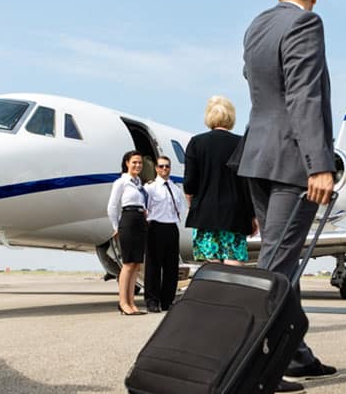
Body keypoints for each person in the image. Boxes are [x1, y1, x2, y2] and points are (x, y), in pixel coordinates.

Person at [234, 0, 338, 394]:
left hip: (256, 157)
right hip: (291, 161)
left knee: (279, 260)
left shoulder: (257, 27)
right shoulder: (307, 24)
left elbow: (255, 82)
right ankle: (251, 366)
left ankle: (296, 356)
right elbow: (303, 93)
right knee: (276, 268)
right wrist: (319, 164)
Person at [183, 96, 256, 268]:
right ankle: (231, 294)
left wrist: (193, 206)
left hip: (206, 212)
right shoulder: (242, 143)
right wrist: (252, 215)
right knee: (233, 258)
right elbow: (248, 184)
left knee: (211, 260)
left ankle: (212, 294)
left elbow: (190, 183)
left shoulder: (196, 142)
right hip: (235, 212)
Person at [107, 150, 149, 316]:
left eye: (140, 163)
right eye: (134, 162)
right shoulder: (121, 182)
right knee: (128, 263)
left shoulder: (139, 183)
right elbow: (112, 206)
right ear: (127, 163)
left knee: (137, 264)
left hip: (140, 220)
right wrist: (116, 226)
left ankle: (131, 302)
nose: (137, 165)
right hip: (128, 219)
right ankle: (123, 302)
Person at [144, 155, 186, 313]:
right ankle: (152, 301)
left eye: (167, 166)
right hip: (155, 227)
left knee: (171, 267)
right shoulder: (150, 188)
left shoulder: (175, 188)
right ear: (156, 168)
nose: (164, 169)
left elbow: (181, 207)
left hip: (171, 228)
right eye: (161, 166)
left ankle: (167, 301)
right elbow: (145, 209)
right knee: (153, 267)